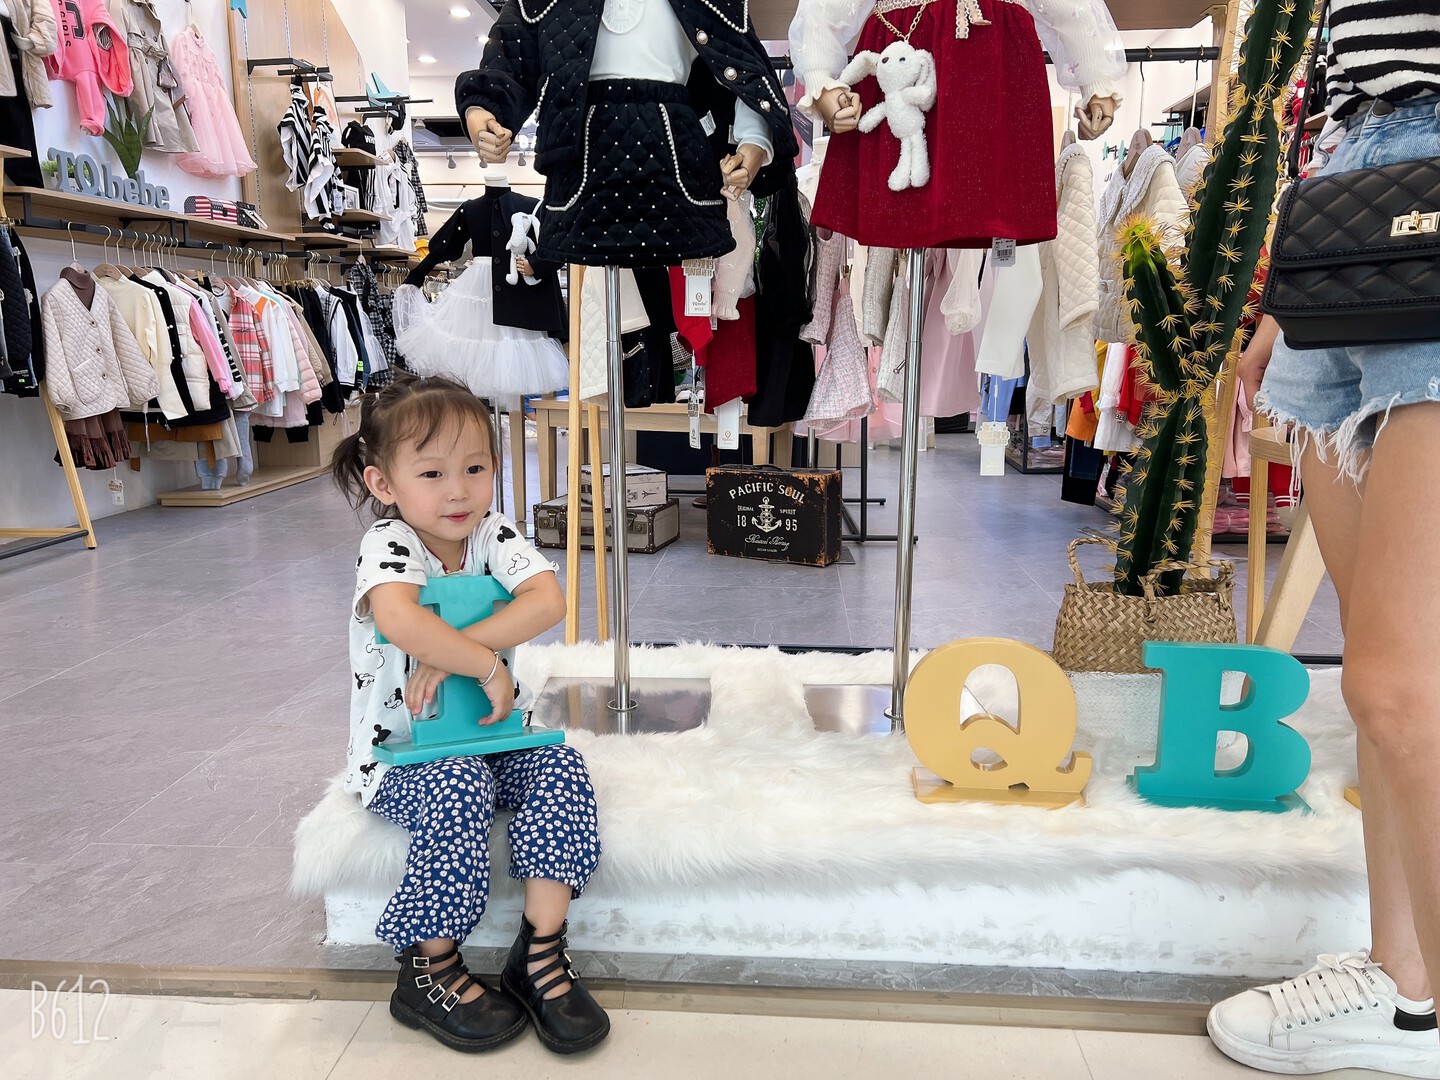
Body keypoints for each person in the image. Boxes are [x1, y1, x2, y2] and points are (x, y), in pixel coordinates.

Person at [1207, 4, 1440, 1075]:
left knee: (1403, 689)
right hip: (1348, 209)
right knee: (1379, 686)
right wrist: (1283, 299)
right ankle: (1403, 989)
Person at [331, 373, 609, 1056]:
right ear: (384, 483)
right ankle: (427, 968)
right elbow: (401, 619)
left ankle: (539, 953)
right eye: (432, 473)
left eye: (475, 469)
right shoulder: (389, 544)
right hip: (403, 754)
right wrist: (484, 666)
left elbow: (547, 601)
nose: (458, 491)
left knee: (561, 767)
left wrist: (457, 653)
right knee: (457, 785)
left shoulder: (492, 532)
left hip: (494, 737)